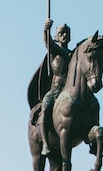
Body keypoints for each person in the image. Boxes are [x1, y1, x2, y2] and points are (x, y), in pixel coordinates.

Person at [29, 17, 72, 156]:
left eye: (66, 33)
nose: (64, 35)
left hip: (70, 89)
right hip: (56, 89)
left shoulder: (72, 54)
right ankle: (45, 143)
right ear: (57, 37)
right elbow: (47, 41)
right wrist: (46, 29)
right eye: (61, 33)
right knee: (46, 106)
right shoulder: (55, 51)